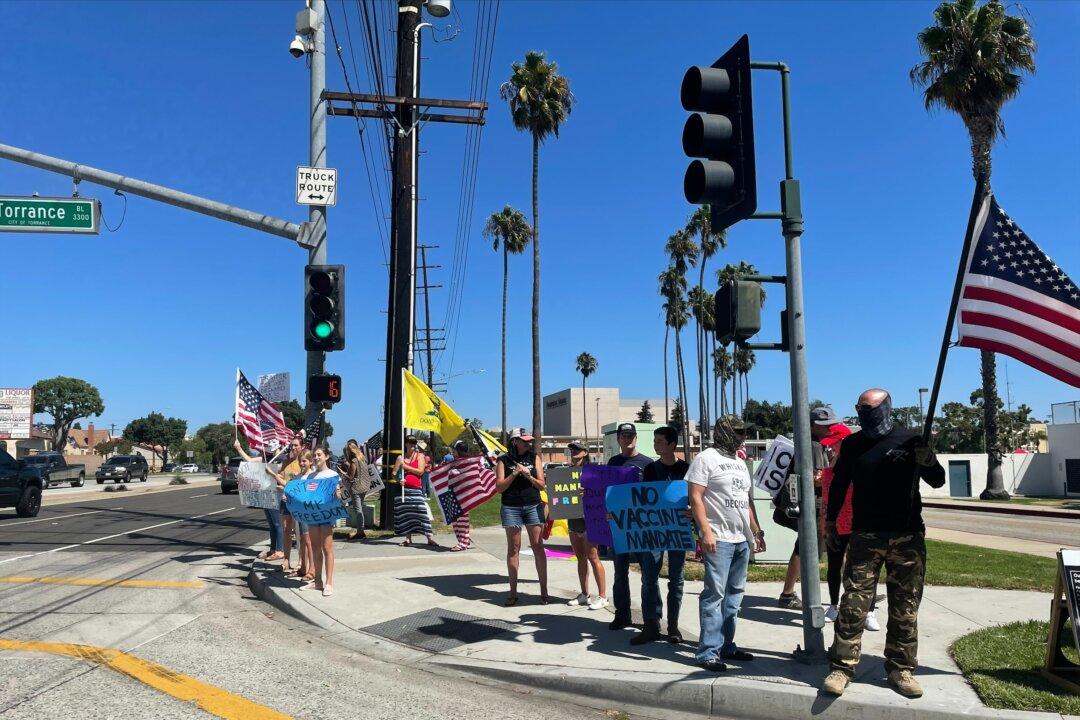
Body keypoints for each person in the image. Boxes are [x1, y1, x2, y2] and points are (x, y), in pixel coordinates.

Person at [822, 389, 945, 699]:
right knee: (853, 604)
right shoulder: (852, 444)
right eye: (860, 409)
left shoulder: (911, 439)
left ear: (887, 408)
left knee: (905, 606)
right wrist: (831, 521)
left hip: (907, 536)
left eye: (870, 409)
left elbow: (938, 480)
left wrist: (928, 461)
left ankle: (900, 669)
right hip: (865, 536)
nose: (864, 414)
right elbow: (839, 484)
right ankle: (842, 667)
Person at [687, 415, 766, 672]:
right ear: (725, 432)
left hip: (741, 539)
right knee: (714, 595)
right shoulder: (705, 458)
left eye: (745, 432)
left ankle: (726, 646)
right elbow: (696, 497)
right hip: (718, 538)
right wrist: (705, 531)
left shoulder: (740, 463)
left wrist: (757, 531)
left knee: (734, 597)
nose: (743, 436)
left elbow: (747, 502)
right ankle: (707, 652)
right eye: (740, 432)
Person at [810, 406, 874, 629]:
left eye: (835, 444)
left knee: (862, 566)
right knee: (835, 564)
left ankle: (868, 609)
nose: (832, 448)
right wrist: (824, 523)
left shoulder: (859, 465)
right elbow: (827, 496)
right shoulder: (831, 466)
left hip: (858, 520)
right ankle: (834, 605)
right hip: (836, 520)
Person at [632, 426, 691, 645]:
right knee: (649, 577)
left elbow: (695, 496)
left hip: (677, 531)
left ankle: (673, 626)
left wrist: (692, 510)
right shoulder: (650, 469)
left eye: (659, 441)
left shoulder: (686, 469)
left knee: (676, 580)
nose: (655, 445)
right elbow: (642, 500)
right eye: (655, 441)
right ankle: (651, 624)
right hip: (653, 531)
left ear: (672, 444)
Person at [607, 422, 654, 631]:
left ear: (636, 438)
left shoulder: (648, 463)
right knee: (619, 573)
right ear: (618, 439)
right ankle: (622, 614)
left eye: (631, 435)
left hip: (642, 526)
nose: (628, 439)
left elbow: (655, 495)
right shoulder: (613, 462)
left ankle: (651, 618)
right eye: (624, 436)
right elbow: (606, 490)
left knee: (648, 573)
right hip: (618, 525)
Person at [495, 427, 548, 607]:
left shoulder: (535, 458)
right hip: (511, 507)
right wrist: (515, 473)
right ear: (515, 441)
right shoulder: (503, 460)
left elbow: (542, 485)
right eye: (524, 440)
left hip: (533, 505)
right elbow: (500, 487)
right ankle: (513, 592)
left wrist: (528, 476)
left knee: (538, 546)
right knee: (513, 548)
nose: (528, 443)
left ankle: (544, 590)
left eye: (529, 440)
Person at [565, 440, 607, 611]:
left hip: (590, 519)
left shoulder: (594, 471)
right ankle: (584, 594)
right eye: (571, 449)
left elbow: (604, 493)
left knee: (593, 556)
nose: (574, 451)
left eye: (577, 449)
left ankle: (603, 596)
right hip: (573, 519)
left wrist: (588, 492)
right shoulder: (566, 473)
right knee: (580, 557)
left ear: (585, 452)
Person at [232, 439, 284, 563]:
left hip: (275, 493)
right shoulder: (266, 457)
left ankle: (280, 550)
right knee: (271, 524)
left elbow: (281, 474)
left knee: (277, 523)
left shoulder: (282, 458)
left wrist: (271, 471)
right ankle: (273, 549)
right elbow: (249, 461)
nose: (268, 445)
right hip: (264, 492)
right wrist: (239, 448)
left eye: (271, 442)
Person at [300, 446, 342, 597]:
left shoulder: (332, 475)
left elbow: (339, 495)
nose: (316, 457)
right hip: (313, 516)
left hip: (326, 515)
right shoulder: (309, 477)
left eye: (319, 455)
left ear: (326, 456)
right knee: (316, 548)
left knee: (327, 548)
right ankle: (317, 581)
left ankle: (329, 583)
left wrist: (338, 494)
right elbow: (303, 496)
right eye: (315, 455)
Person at [392, 436, 436, 547]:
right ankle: (408, 539)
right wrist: (398, 480)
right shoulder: (400, 458)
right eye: (410, 443)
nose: (413, 445)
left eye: (414, 443)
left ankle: (429, 538)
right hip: (402, 491)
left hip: (416, 490)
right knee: (405, 514)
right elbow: (393, 473)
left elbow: (420, 472)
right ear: (405, 444)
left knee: (422, 512)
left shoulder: (420, 456)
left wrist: (406, 466)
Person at [339, 439, 369, 541]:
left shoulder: (354, 461)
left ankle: (360, 532)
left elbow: (351, 477)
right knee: (360, 508)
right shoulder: (363, 458)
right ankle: (361, 530)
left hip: (356, 487)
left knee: (358, 510)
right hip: (365, 485)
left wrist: (343, 473)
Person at [448, 440, 475, 552]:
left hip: (463, 496)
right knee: (455, 520)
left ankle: (463, 543)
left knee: (462, 520)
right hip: (453, 494)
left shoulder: (466, 463)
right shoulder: (454, 463)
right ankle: (463, 540)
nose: (453, 453)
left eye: (455, 450)